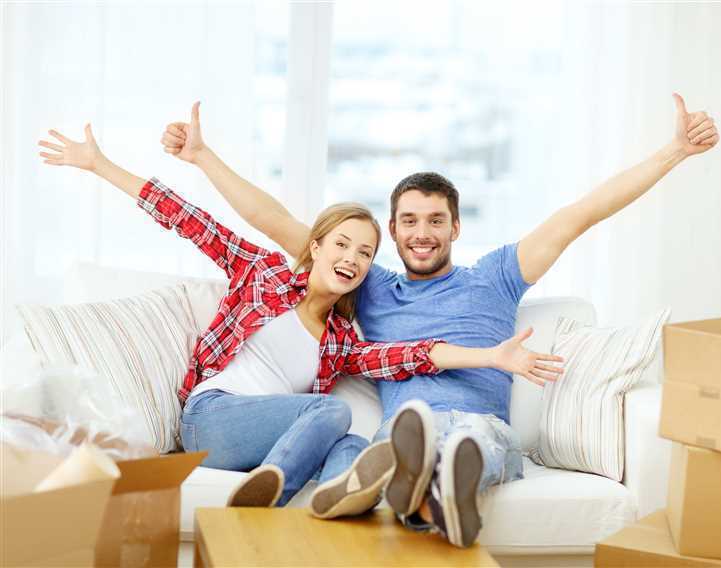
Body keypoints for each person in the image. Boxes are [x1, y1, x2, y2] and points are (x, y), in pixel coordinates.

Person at [159, 93, 720, 546]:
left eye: (434, 220)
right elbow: (273, 220)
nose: (421, 232)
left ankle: (441, 492)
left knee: (473, 441)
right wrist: (203, 157)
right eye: (409, 221)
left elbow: (580, 216)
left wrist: (673, 152)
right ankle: (416, 501)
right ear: (393, 231)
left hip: (478, 425)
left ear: (455, 227)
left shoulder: (497, 276)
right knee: (380, 448)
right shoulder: (370, 285)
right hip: (400, 433)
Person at [36, 123, 561, 510]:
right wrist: (101, 164)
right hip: (211, 417)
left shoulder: (341, 341)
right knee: (332, 413)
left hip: (268, 434)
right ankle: (270, 493)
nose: (352, 258)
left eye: (364, 252)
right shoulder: (260, 273)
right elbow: (186, 218)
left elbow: (415, 355)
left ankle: (339, 508)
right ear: (316, 247)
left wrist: (492, 356)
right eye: (342, 244)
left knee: (356, 445)